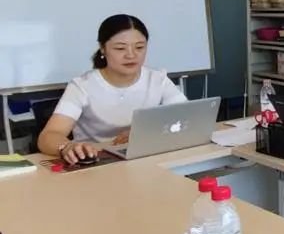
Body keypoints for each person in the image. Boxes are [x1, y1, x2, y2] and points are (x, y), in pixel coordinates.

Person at [37, 14, 187, 165]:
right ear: (103, 48)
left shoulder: (158, 79)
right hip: (97, 161)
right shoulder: (82, 86)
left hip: (144, 158)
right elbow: (49, 135)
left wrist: (142, 133)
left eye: (139, 47)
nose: (131, 55)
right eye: (120, 48)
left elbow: (188, 118)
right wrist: (67, 146)